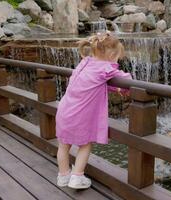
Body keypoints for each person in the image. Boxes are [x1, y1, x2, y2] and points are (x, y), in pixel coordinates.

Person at [56, 32, 131, 189]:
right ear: (111, 55)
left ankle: (63, 176)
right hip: (80, 114)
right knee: (85, 144)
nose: (117, 60)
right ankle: (77, 177)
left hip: (65, 110)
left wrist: (113, 87)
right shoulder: (106, 68)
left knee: (63, 145)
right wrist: (122, 89)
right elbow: (126, 80)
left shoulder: (85, 62)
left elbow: (94, 82)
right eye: (117, 57)